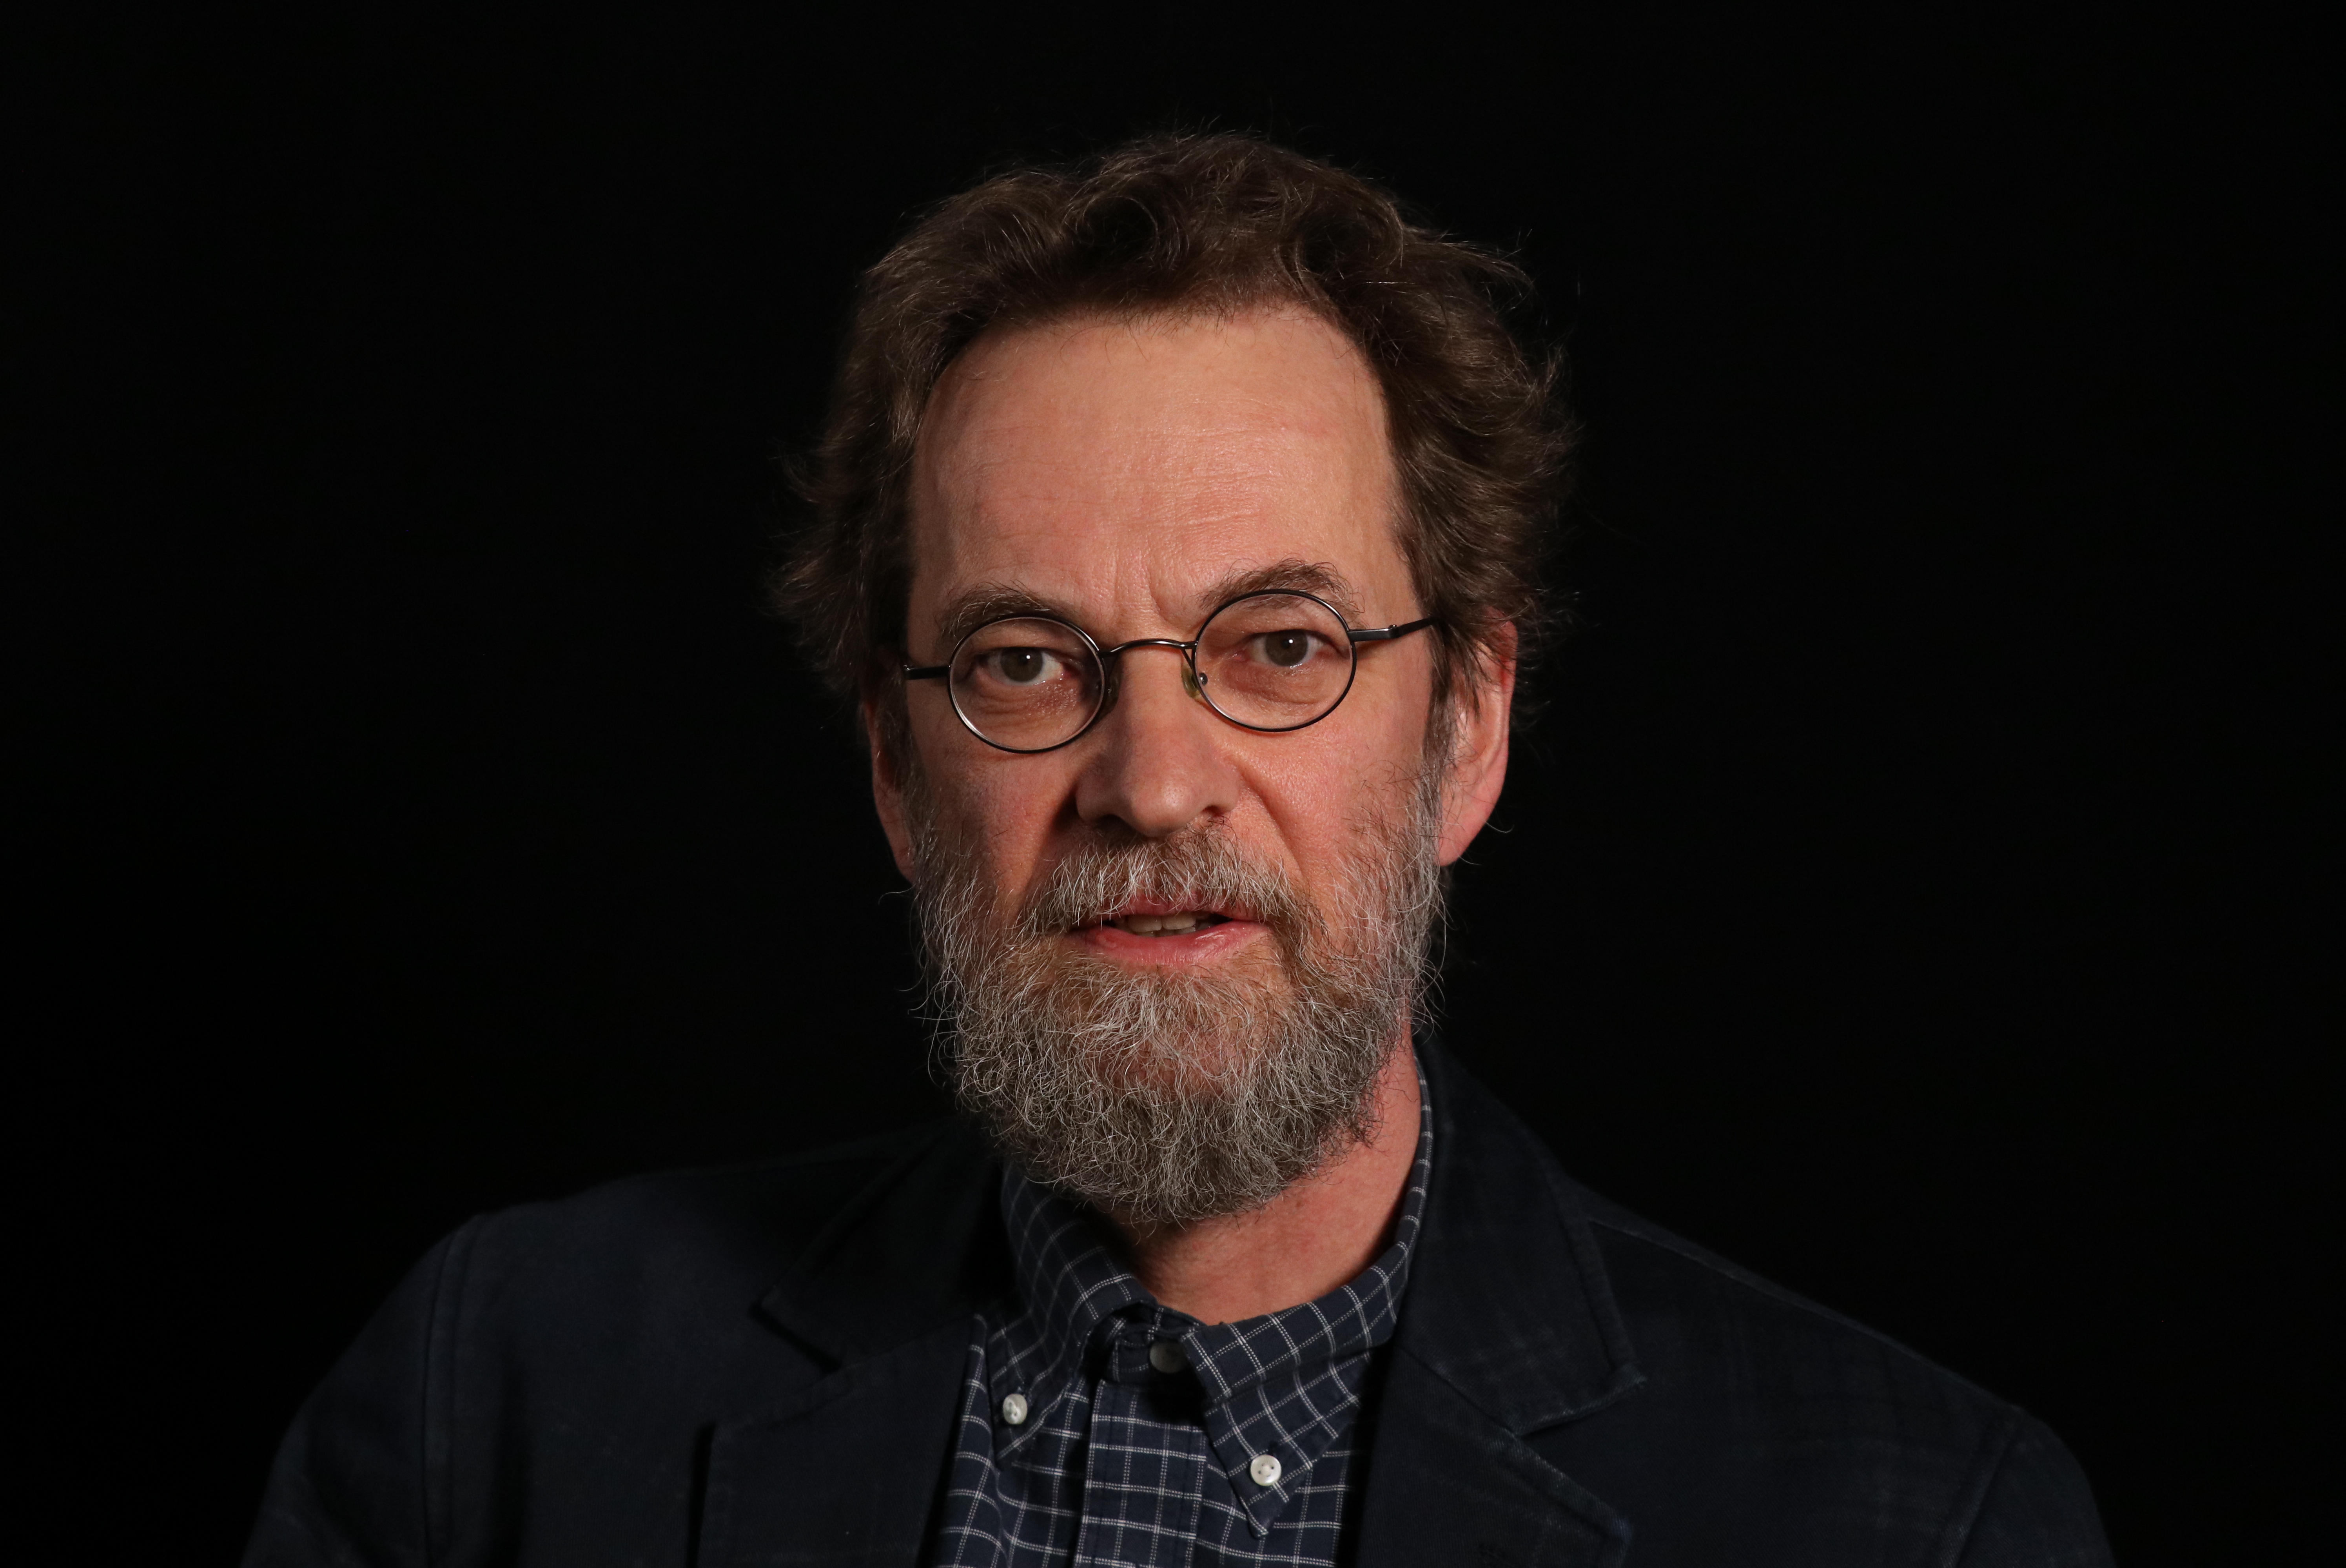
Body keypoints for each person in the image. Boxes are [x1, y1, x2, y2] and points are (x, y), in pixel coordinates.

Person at [246, 134, 2113, 1567]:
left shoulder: (1920, 1518)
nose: (1152, 783)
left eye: (1281, 646)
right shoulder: (499, 1396)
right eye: (1025, 661)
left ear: (1466, 728)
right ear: (896, 768)